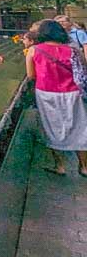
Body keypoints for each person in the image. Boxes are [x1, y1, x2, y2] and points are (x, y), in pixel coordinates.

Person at [26, 19, 87, 177]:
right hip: (72, 93)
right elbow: (82, 72)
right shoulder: (74, 51)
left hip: (46, 94)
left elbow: (31, 75)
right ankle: (84, 167)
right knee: (79, 127)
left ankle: (60, 166)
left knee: (51, 128)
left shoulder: (34, 50)